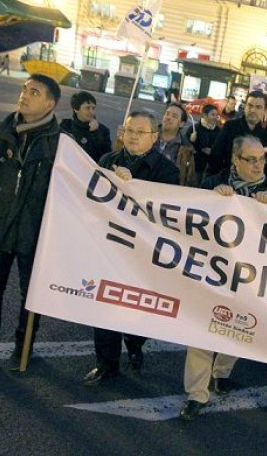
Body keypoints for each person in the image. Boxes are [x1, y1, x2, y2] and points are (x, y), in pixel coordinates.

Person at [179, 135, 267, 421]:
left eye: (261, 158)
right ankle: (196, 394)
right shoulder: (212, 183)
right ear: (234, 160)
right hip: (213, 272)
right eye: (250, 160)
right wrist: (213, 197)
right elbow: (193, 221)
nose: (257, 165)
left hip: (250, 278)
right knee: (201, 329)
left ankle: (221, 372)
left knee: (239, 328)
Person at [81, 111, 180, 385]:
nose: (134, 136)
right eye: (129, 130)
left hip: (143, 254)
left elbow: (164, 216)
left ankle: (135, 344)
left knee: (138, 313)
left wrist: (132, 186)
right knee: (103, 308)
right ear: (122, 133)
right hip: (110, 247)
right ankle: (106, 365)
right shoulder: (107, 162)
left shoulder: (167, 171)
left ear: (154, 137)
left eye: (141, 132)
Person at [0, 75, 66, 371]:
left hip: (35, 232)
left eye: (34, 92)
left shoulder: (60, 143)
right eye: (24, 89)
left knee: (30, 298)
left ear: (50, 104)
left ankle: (23, 348)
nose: (25, 95)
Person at [208, 91, 267, 189]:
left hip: (260, 190)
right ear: (245, 107)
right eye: (250, 105)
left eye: (258, 107)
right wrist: (215, 183)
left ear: (265, 110)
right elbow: (215, 157)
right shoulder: (230, 127)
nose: (253, 110)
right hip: (227, 185)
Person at [59, 91, 112, 163]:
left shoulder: (103, 131)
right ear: (76, 109)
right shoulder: (65, 126)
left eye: (93, 108)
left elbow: (105, 159)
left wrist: (95, 133)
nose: (92, 112)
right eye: (87, 108)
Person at [155, 102, 196, 186]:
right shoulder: (146, 135)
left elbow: (188, 181)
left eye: (174, 116)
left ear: (182, 123)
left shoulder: (187, 150)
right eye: (167, 114)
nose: (168, 117)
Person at [190, 103, 221, 182]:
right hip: (195, 165)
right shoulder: (195, 129)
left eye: (216, 115)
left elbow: (222, 147)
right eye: (212, 115)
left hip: (211, 167)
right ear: (204, 115)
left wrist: (212, 151)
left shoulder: (219, 131)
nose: (215, 118)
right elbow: (186, 146)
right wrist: (192, 140)